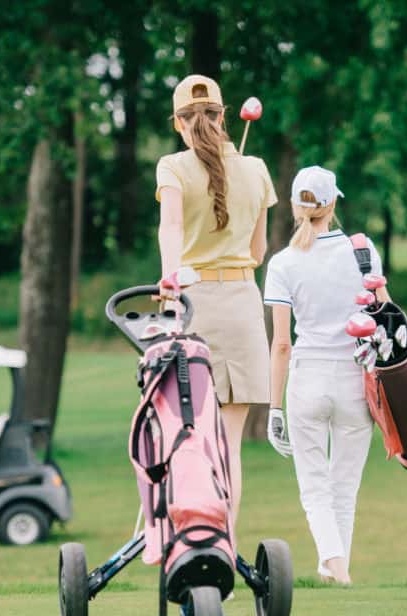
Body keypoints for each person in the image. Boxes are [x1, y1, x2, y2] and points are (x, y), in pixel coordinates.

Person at [155, 74, 277, 522]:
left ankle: (175, 544)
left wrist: (170, 282)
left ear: (179, 123)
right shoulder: (257, 168)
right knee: (228, 447)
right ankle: (223, 548)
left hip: (191, 304)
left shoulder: (171, 166)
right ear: (223, 116)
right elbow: (259, 253)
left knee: (180, 438)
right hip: (243, 304)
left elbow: (170, 227)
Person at [263, 165, 389, 584]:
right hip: (355, 378)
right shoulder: (363, 249)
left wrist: (272, 409)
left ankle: (336, 571)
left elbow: (281, 344)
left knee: (316, 488)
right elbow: (384, 310)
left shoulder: (282, 263)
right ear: (332, 203)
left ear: (297, 207)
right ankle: (337, 569)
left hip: (307, 379)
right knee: (343, 489)